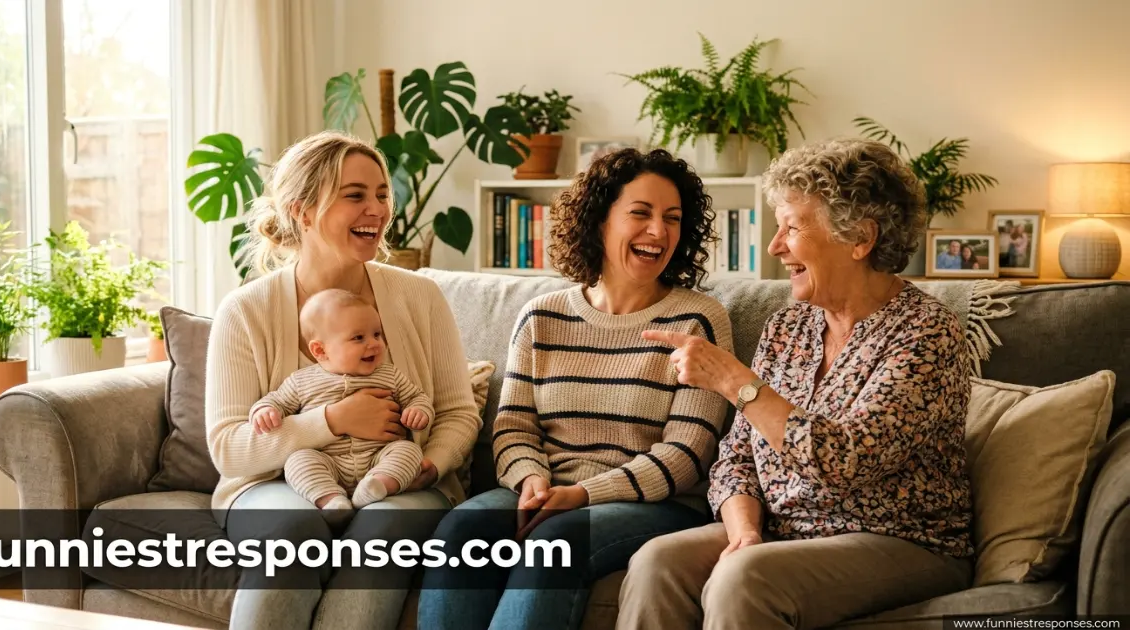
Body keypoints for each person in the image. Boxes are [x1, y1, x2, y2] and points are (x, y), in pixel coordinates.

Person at [617, 138, 974, 629]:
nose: (775, 245)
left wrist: (735, 381)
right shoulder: (788, 327)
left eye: (792, 227)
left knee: (745, 578)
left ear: (860, 239)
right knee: (656, 561)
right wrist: (744, 531)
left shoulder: (926, 333)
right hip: (787, 533)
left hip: (901, 542)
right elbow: (737, 458)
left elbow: (846, 460)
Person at [417, 148, 733, 630]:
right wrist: (531, 481)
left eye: (672, 218)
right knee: (462, 527)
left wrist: (584, 494)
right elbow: (513, 426)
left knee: (554, 543)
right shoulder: (542, 316)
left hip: (655, 505)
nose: (659, 231)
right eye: (640, 213)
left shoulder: (698, 320)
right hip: (547, 490)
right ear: (599, 221)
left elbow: (687, 455)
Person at [205, 130, 482, 630]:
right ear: (302, 211)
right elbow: (229, 448)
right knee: (291, 531)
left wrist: (430, 464)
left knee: (386, 528)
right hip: (273, 485)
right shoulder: (245, 310)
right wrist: (330, 421)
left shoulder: (420, 297)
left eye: (381, 194)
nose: (376, 209)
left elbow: (458, 410)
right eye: (354, 195)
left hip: (399, 480)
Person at [249, 288, 433, 526]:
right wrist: (264, 411)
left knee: (409, 452)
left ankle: (379, 486)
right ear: (320, 350)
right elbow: (276, 401)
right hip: (327, 461)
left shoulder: (389, 375)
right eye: (358, 338)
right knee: (298, 460)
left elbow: (417, 397)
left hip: (378, 457)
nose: (374, 344)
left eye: (377, 334)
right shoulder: (301, 381)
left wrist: (418, 411)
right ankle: (332, 500)